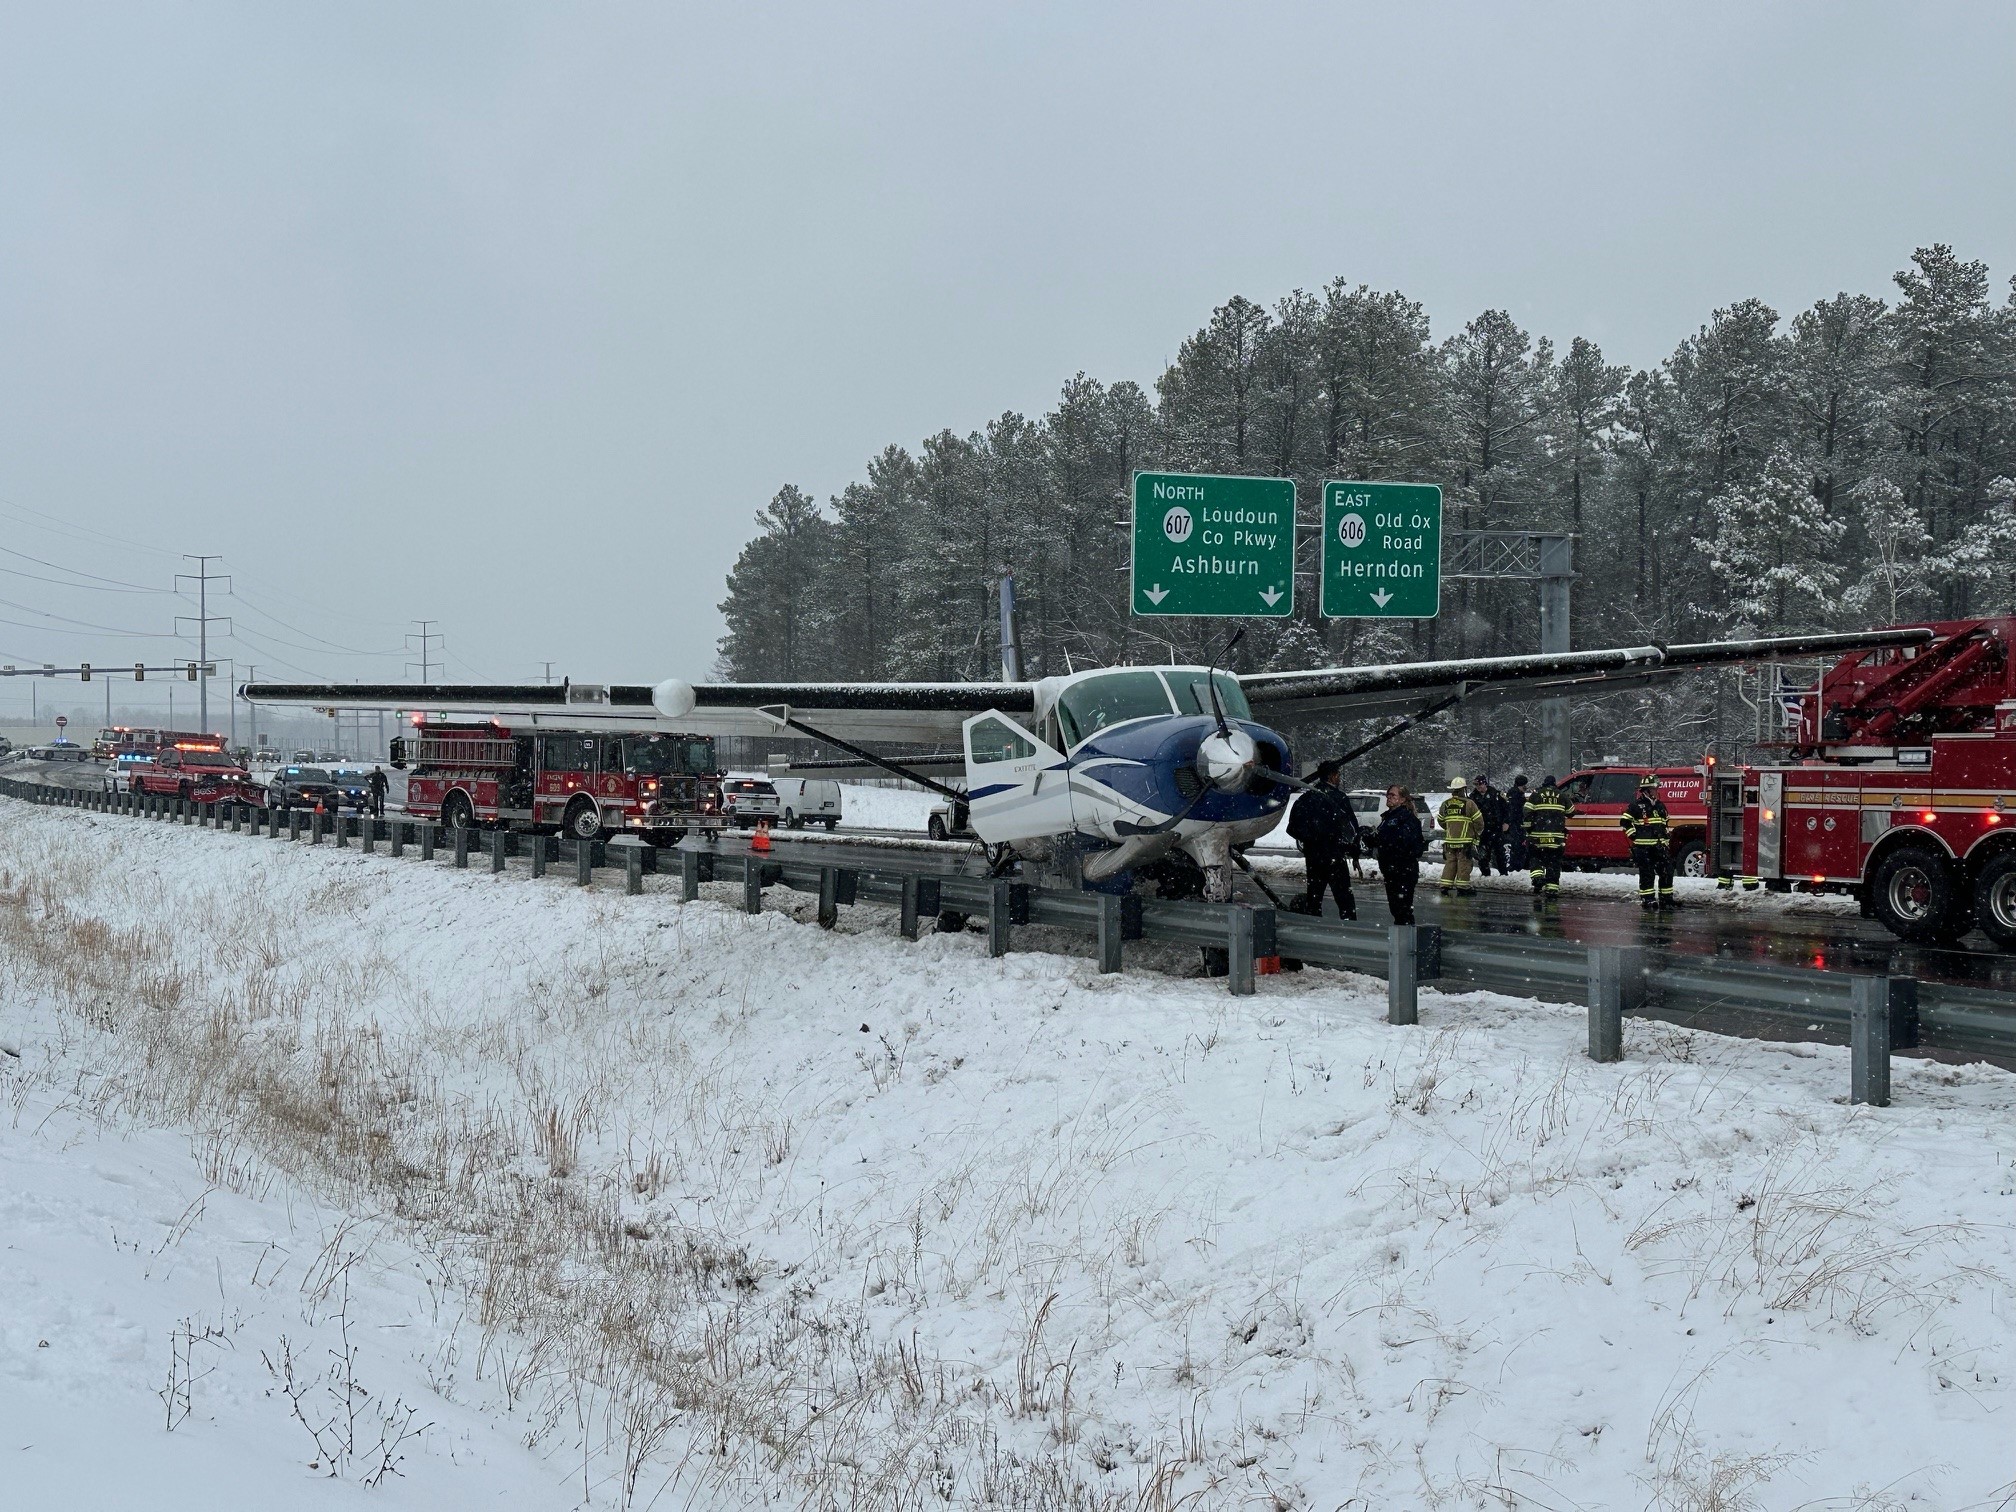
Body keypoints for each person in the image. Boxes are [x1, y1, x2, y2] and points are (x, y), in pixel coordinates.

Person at [1285, 758, 1361, 919]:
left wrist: (1311, 840)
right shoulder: (1339, 798)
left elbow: (1292, 827)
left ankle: (1313, 926)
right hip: (1334, 854)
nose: (1339, 778)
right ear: (1332, 776)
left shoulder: (1306, 798)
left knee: (1314, 896)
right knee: (1344, 898)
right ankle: (1350, 929)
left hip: (1314, 857)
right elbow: (1352, 829)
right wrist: (1351, 849)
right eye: (1338, 775)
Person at [1620, 772, 1677, 909]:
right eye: (1653, 789)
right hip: (1643, 848)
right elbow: (1625, 821)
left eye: (1656, 789)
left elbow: (1665, 824)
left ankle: (1666, 899)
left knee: (1667, 871)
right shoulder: (1636, 806)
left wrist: (1665, 840)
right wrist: (1634, 836)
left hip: (1659, 846)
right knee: (1647, 874)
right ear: (1646, 790)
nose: (1656, 792)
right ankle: (1648, 899)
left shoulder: (1660, 806)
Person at [1372, 784, 1427, 924]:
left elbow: (1410, 845)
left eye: (1393, 795)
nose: (1389, 798)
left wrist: (1387, 843)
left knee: (1403, 909)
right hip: (1391, 870)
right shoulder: (1389, 817)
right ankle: (1402, 938)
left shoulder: (1406, 818)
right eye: (1388, 795)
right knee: (1397, 909)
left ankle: (1407, 940)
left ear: (1402, 799)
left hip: (1403, 870)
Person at [1524, 775, 1573, 900]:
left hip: (1537, 836)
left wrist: (1528, 828)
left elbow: (1526, 812)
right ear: (1555, 784)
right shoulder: (1562, 796)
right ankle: (1552, 889)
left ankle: (1537, 878)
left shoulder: (1536, 795)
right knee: (1554, 862)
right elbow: (1571, 812)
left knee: (1535, 857)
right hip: (1556, 837)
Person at [1436, 777, 1483, 896]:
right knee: (1464, 863)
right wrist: (1475, 832)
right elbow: (1479, 822)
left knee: (1450, 862)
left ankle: (1445, 885)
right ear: (1464, 789)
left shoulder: (1445, 804)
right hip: (1465, 841)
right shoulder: (1469, 804)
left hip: (1450, 841)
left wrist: (1451, 828)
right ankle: (1463, 887)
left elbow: (1441, 821)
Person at [1471, 774, 1506, 876]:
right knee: (1483, 855)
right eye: (1477, 785)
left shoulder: (1496, 795)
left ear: (1485, 783)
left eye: (1480, 785)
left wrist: (1506, 822)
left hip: (1496, 828)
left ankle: (1503, 874)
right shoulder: (1473, 797)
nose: (1479, 787)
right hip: (1482, 830)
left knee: (1500, 854)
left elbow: (1505, 809)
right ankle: (1485, 874)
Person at [1505, 775, 1530, 872]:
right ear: (1521, 785)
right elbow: (1515, 811)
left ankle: (1517, 865)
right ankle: (1516, 867)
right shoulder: (1516, 795)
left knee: (1518, 845)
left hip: (1515, 824)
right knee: (1517, 846)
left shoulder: (1513, 793)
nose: (1526, 788)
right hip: (1516, 824)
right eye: (1525, 786)